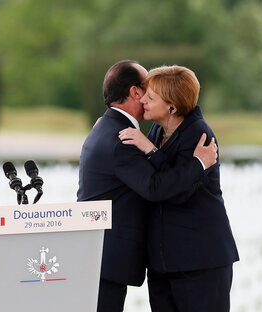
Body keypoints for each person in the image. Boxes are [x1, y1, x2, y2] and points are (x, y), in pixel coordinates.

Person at [77, 60, 218, 312]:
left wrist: (155, 151)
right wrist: (198, 163)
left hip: (190, 257)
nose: (146, 100)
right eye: (146, 90)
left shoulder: (112, 128)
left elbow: (160, 182)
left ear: (171, 105)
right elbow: (155, 187)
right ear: (134, 92)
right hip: (110, 257)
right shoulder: (123, 137)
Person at [118, 65, 239, 312]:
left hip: (199, 260)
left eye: (151, 97)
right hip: (164, 263)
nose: (143, 101)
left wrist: (150, 151)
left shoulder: (198, 134)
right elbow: (160, 176)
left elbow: (175, 190)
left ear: (172, 107)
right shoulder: (157, 129)